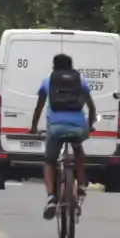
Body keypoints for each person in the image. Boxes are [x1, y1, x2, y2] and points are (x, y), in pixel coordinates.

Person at [29, 54, 96, 220]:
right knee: (78, 150)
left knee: (49, 161)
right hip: (77, 127)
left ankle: (51, 197)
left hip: (56, 128)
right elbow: (92, 108)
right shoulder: (81, 82)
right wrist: (89, 125)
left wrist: (33, 127)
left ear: (54, 67)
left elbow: (38, 108)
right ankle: (80, 184)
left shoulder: (47, 82)